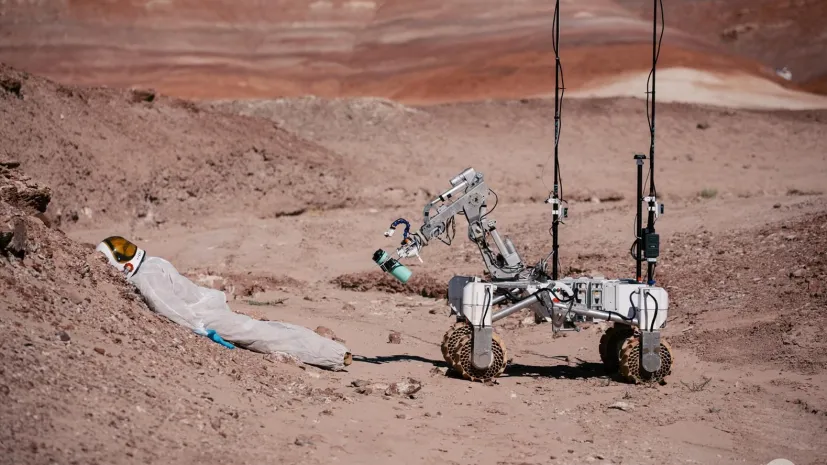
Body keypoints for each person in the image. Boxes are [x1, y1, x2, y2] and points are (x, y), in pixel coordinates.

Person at [95, 236, 352, 370]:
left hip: (205, 315)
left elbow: (168, 307)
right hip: (208, 302)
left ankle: (333, 355)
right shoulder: (153, 262)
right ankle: (331, 350)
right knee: (263, 328)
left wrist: (200, 329)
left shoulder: (146, 276)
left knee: (262, 335)